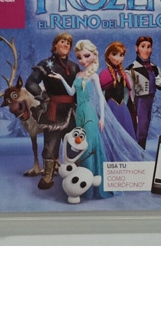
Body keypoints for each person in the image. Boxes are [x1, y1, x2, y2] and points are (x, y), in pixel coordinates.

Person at [47, 39, 112, 201]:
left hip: (89, 113)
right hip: (79, 113)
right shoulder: (78, 75)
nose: (82, 60)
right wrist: (61, 79)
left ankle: (91, 187)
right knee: (80, 146)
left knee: (88, 146)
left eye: (86, 56)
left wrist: (102, 118)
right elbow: (71, 93)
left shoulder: (94, 76)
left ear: (94, 55)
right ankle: (82, 184)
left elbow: (101, 98)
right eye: (79, 57)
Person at [25, 34, 79, 190]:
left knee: (74, 144)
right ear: (55, 45)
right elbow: (31, 83)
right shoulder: (46, 65)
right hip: (53, 111)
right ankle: (48, 175)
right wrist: (43, 97)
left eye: (68, 43)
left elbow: (80, 87)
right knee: (51, 143)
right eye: (62, 41)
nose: (66, 44)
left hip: (72, 111)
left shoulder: (74, 67)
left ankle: (75, 173)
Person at [127, 35, 161, 149]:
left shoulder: (154, 68)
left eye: (149, 47)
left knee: (145, 128)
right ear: (136, 48)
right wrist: (132, 109)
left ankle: (141, 151)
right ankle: (137, 151)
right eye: (143, 46)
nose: (146, 50)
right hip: (139, 101)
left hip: (150, 100)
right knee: (140, 129)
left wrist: (160, 83)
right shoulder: (131, 68)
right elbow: (128, 91)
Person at [99, 41, 137, 140]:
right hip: (110, 107)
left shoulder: (123, 74)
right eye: (114, 54)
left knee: (126, 132)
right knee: (112, 134)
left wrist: (127, 105)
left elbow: (127, 92)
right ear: (108, 55)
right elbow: (101, 94)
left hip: (122, 108)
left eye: (121, 55)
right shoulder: (104, 74)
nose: (117, 58)